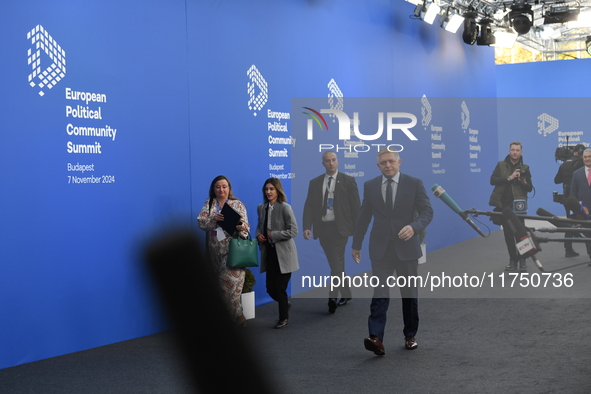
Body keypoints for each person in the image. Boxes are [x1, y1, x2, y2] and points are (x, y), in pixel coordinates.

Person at [352, 148, 433, 355]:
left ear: (399, 162)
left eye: (391, 161)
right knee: (380, 292)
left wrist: (414, 226)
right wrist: (356, 244)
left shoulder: (414, 183)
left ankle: (410, 335)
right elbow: (363, 217)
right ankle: (376, 338)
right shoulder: (370, 186)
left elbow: (427, 211)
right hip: (380, 249)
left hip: (406, 248)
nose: (387, 165)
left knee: (409, 294)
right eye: (383, 163)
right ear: (378, 165)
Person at [303, 151, 361, 313]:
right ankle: (347, 293)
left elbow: (356, 207)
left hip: (340, 229)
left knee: (336, 263)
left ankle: (332, 296)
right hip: (323, 229)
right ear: (323, 163)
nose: (331, 163)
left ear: (338, 161)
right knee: (336, 264)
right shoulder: (315, 183)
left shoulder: (348, 181)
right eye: (327, 161)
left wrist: (358, 233)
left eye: (333, 160)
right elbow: (309, 206)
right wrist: (307, 226)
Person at [198, 175, 250, 327]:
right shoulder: (209, 204)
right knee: (227, 289)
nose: (221, 189)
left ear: (229, 188)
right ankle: (239, 315)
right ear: (213, 189)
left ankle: (225, 320)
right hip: (215, 252)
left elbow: (246, 227)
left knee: (225, 284)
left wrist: (241, 228)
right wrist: (214, 219)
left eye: (224, 186)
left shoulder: (237, 204)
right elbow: (201, 223)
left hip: (234, 250)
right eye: (218, 187)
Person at [256, 178, 299, 329]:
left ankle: (284, 318)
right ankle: (284, 303)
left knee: (280, 288)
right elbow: (259, 227)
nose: (268, 192)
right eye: (266, 189)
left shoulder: (285, 208)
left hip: (285, 256)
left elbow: (293, 231)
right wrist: (258, 235)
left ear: (277, 190)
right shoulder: (261, 208)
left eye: (271, 189)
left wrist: (274, 235)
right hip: (270, 254)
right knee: (270, 289)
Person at [489, 141, 533, 272]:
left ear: (521, 152)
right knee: (508, 234)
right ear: (509, 151)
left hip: (519, 206)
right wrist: (510, 177)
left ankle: (523, 260)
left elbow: (530, 188)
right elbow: (493, 180)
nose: (515, 152)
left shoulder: (525, 167)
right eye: (513, 150)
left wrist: (523, 181)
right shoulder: (501, 165)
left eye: (517, 150)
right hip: (504, 205)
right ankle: (513, 260)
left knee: (521, 233)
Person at [554, 144, 585, 257]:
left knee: (570, 222)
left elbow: (557, 180)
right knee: (584, 223)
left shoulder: (565, 164)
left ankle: (568, 249)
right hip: (578, 199)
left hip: (567, 198)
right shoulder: (580, 163)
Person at [569, 148, 591, 261]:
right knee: (588, 235)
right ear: (582, 158)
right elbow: (573, 193)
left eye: (589, 156)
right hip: (584, 210)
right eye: (585, 157)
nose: (587, 159)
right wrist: (575, 211)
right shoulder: (576, 174)